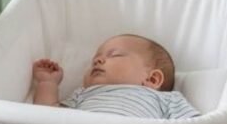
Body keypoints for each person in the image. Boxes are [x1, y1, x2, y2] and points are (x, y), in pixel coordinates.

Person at [31, 34, 198, 119]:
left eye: (115, 55)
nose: (97, 60)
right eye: (94, 60)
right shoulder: (82, 94)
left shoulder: (166, 100)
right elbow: (47, 117)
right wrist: (48, 83)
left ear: (152, 79)